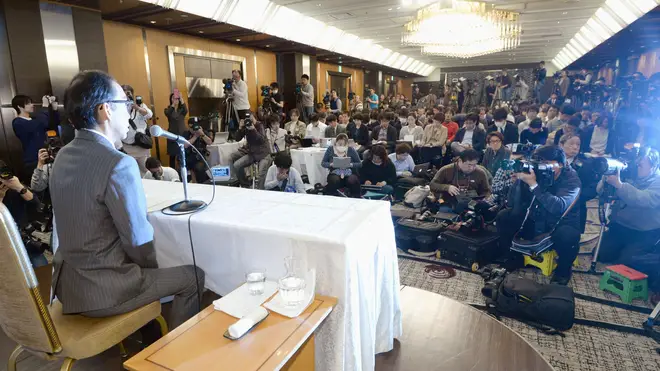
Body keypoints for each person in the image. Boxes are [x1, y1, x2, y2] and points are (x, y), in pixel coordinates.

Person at [50, 70, 204, 330]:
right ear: (105, 110)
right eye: (125, 104)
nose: (130, 111)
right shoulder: (118, 163)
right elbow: (138, 239)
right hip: (104, 292)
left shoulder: (63, 155)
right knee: (194, 278)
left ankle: (146, 337)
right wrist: (149, 272)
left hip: (69, 288)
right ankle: (172, 356)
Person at [496, 145, 581, 285]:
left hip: (561, 222)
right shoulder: (536, 172)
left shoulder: (572, 180)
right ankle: (513, 257)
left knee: (568, 235)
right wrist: (518, 183)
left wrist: (534, 185)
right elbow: (514, 204)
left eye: (545, 163)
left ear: (560, 164)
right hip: (536, 217)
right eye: (538, 162)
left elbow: (558, 207)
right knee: (504, 216)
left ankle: (563, 271)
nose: (540, 166)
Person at [596, 147, 660, 289]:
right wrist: (606, 179)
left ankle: (630, 252)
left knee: (626, 263)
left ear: (653, 166)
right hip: (621, 226)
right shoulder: (627, 174)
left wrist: (619, 185)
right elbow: (599, 192)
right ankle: (622, 249)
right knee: (601, 254)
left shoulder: (658, 181)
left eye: (640, 165)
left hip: (644, 232)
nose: (635, 167)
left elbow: (644, 199)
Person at [0, 169, 46, 267]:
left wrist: (19, 187)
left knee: (44, 271)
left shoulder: (14, 189)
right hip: (5, 248)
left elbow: (37, 206)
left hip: (25, 240)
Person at [12, 95, 59, 181]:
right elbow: (39, 124)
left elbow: (52, 126)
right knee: (40, 187)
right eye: (28, 103)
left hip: (47, 158)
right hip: (33, 161)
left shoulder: (35, 120)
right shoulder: (18, 122)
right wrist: (44, 106)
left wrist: (54, 110)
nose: (32, 105)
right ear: (19, 106)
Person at [231, 114, 272, 189]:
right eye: (246, 119)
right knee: (236, 165)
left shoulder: (260, 125)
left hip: (264, 154)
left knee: (260, 174)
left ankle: (260, 190)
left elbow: (261, 140)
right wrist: (240, 128)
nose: (248, 121)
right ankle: (245, 184)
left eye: (250, 118)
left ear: (253, 117)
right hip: (252, 154)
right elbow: (237, 139)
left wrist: (253, 129)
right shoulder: (246, 127)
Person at [120, 85, 153, 175]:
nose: (126, 95)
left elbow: (149, 115)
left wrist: (137, 108)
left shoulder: (140, 105)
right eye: (123, 92)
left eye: (128, 93)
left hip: (142, 146)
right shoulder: (118, 108)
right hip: (128, 148)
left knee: (148, 173)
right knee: (132, 173)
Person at [181, 118, 213, 183]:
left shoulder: (203, 133)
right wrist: (195, 136)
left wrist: (202, 134)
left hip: (200, 158)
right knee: (181, 169)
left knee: (199, 168)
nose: (192, 129)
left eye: (193, 127)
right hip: (189, 157)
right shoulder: (186, 133)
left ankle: (202, 184)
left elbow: (209, 142)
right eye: (190, 127)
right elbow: (185, 145)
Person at [164, 93, 188, 168]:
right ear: (170, 100)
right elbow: (168, 113)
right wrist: (173, 105)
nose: (175, 99)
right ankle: (173, 170)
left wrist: (181, 98)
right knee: (172, 155)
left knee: (183, 153)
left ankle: (184, 170)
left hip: (182, 134)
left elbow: (185, 110)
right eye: (173, 98)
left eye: (176, 98)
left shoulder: (182, 110)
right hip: (172, 135)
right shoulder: (168, 109)